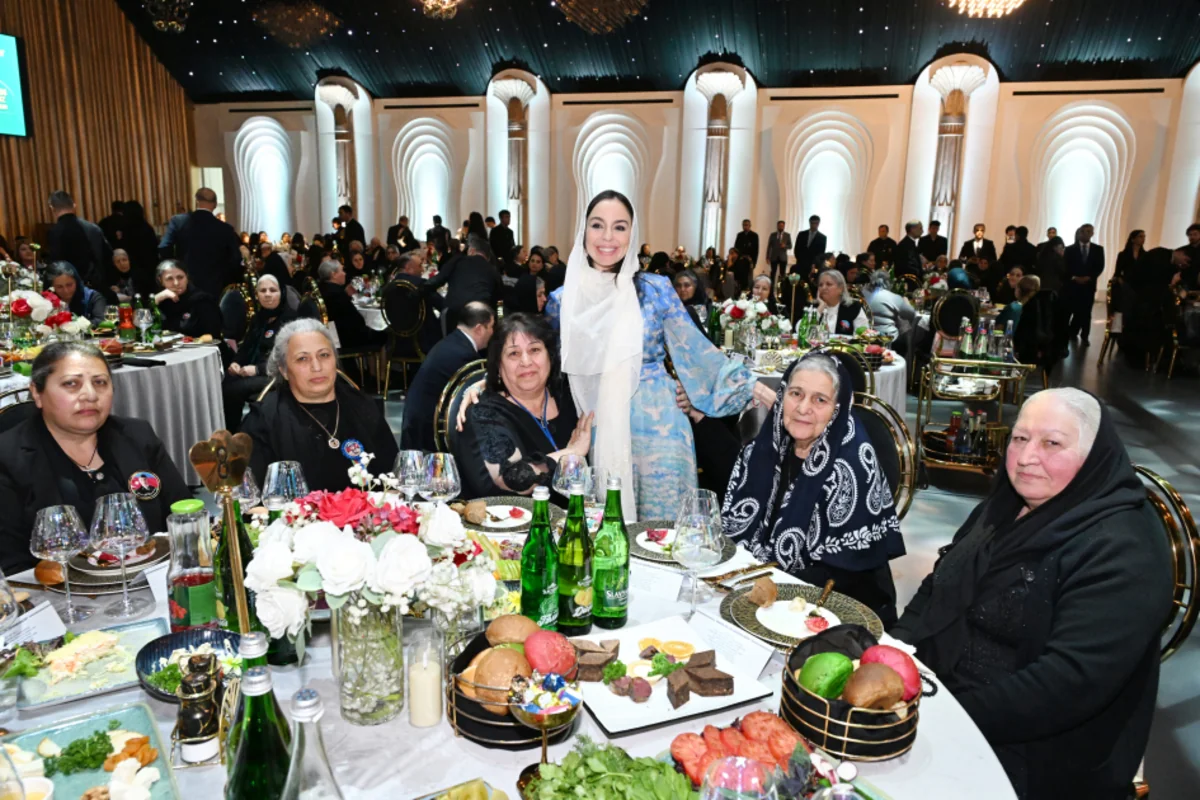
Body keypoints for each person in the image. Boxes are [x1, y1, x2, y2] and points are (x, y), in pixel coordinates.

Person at [891, 389, 1170, 800]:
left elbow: (1065, 687)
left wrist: (943, 718)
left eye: (1052, 443)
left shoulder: (1123, 548)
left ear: (1094, 454)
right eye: (1020, 438)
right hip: (939, 698)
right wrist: (894, 655)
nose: (1026, 457)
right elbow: (938, 585)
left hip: (1035, 752)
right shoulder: (1007, 505)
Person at [547, 190, 770, 520]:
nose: (607, 237)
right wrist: (488, 384)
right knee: (603, 529)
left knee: (661, 531)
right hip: (594, 428)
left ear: (632, 234)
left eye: (620, 227)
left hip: (660, 427)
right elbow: (543, 365)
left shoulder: (656, 289)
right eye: (597, 225)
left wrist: (755, 387)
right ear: (583, 231)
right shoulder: (562, 301)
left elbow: (697, 350)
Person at [723, 353, 905, 624]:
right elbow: (729, 531)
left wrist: (756, 584)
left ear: (838, 408)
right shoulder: (758, 454)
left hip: (837, 609)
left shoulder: (852, 467)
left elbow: (845, 574)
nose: (803, 408)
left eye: (820, 400)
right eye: (796, 394)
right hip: (759, 594)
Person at [0, 342, 190, 574]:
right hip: (54, 592)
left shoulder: (137, 436)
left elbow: (183, 517)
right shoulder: (8, 457)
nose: (90, 395)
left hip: (153, 581)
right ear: (37, 393)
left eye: (100, 382)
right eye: (71, 384)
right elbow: (12, 566)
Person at [241, 320, 397, 492]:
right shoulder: (263, 420)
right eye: (302, 359)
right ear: (284, 370)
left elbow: (394, 479)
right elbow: (252, 497)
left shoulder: (363, 406)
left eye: (324, 355)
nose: (316, 367)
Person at [456, 313, 593, 501]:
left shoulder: (571, 394)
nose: (526, 362)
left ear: (550, 356)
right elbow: (510, 479)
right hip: (522, 517)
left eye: (535, 350)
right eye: (514, 354)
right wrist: (570, 453)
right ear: (499, 364)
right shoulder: (484, 413)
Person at [399, 302, 495, 452]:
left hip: (415, 423)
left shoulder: (452, 341)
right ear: (479, 329)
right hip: (428, 435)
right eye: (491, 327)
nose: (493, 332)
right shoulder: (465, 355)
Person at [222, 275, 296, 431]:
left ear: (281, 293)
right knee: (225, 380)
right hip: (255, 371)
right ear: (257, 295)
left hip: (278, 375)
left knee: (231, 389)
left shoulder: (290, 321)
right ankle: (232, 431)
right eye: (263, 291)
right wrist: (236, 362)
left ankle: (236, 433)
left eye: (273, 290)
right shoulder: (259, 318)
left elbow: (288, 358)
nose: (267, 294)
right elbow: (246, 347)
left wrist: (257, 369)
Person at [169, 188, 243, 299]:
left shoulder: (181, 227)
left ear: (196, 202)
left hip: (188, 286)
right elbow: (235, 260)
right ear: (215, 204)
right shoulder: (225, 229)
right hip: (216, 287)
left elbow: (169, 250)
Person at [423, 234, 501, 332]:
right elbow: (499, 301)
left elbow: (436, 281)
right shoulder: (493, 271)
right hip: (479, 314)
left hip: (454, 311)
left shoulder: (458, 260)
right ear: (488, 257)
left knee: (451, 339)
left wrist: (419, 290)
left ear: (471, 250)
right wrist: (499, 321)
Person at [315, 259, 387, 351]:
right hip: (345, 338)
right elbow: (356, 320)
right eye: (342, 270)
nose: (345, 274)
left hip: (329, 335)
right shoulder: (336, 294)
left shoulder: (321, 289)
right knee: (385, 335)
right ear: (333, 274)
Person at [46, 191, 110, 287]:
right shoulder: (93, 228)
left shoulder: (55, 232)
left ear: (52, 208)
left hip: (72, 288)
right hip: (99, 285)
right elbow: (108, 256)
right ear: (74, 205)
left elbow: (57, 265)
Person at [153, 260, 222, 339]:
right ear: (160, 280)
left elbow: (213, 335)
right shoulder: (160, 301)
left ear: (187, 277)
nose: (176, 283)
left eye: (180, 277)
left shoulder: (202, 300)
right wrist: (156, 299)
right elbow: (145, 327)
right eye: (169, 279)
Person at [1063, 225, 1106, 346]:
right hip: (1073, 285)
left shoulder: (1098, 249)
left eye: (1089, 231)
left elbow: (1100, 266)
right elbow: (1065, 266)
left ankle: (1085, 335)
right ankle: (1071, 332)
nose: (1086, 234)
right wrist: (1074, 277)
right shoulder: (1070, 249)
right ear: (1080, 233)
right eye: (1084, 231)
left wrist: (1090, 277)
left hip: (1089, 285)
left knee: (1086, 311)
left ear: (1092, 233)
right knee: (1072, 309)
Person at [45, 261, 108, 325]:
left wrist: (74, 326)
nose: (66, 290)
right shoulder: (46, 300)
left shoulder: (93, 297)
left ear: (76, 281)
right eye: (59, 287)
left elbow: (101, 320)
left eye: (69, 285)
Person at [864, 270, 916, 341]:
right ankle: (909, 348)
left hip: (865, 333)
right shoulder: (893, 297)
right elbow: (911, 314)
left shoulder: (863, 293)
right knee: (905, 323)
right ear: (888, 282)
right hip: (887, 336)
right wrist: (906, 301)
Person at [813, 269, 868, 335]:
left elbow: (862, 334)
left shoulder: (853, 307)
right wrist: (820, 308)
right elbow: (803, 331)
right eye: (820, 285)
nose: (823, 288)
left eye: (829, 284)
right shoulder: (814, 307)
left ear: (841, 288)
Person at [893, 220, 924, 291]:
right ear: (912, 229)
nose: (922, 231)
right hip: (909, 282)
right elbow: (910, 265)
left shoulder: (909, 243)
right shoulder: (906, 245)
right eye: (920, 228)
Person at [766, 220, 792, 290]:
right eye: (779, 225)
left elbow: (790, 246)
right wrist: (767, 257)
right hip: (774, 257)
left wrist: (785, 246)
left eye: (782, 226)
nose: (781, 227)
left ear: (784, 226)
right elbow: (769, 247)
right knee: (773, 273)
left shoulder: (787, 235)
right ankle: (771, 289)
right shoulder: (773, 235)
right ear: (777, 226)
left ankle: (781, 289)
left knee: (782, 274)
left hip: (783, 257)